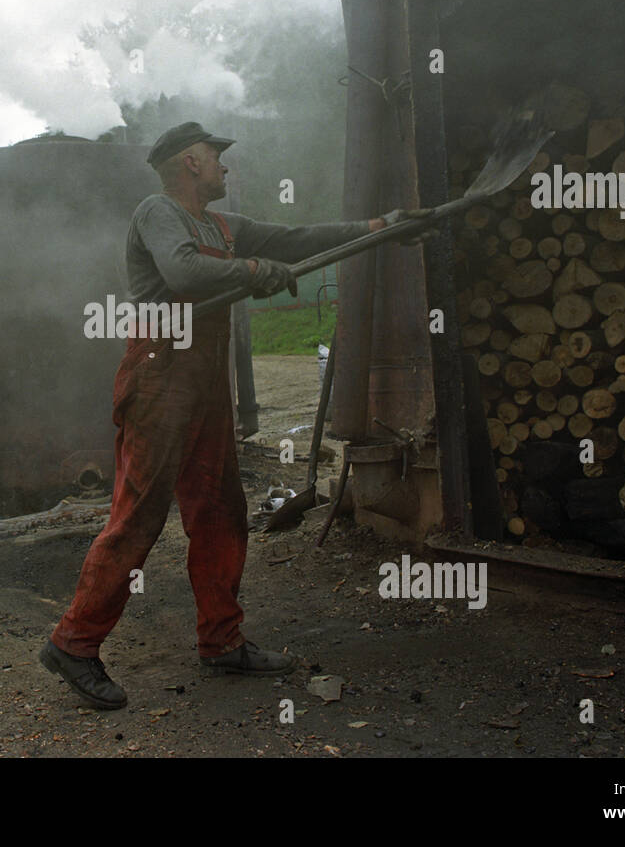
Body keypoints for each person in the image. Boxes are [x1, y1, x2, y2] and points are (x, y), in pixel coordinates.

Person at [39, 121, 430, 709]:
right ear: (191, 162)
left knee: (222, 507)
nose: (226, 168)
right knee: (140, 516)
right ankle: (73, 642)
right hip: (159, 371)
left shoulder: (223, 226)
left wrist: (380, 228)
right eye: (218, 159)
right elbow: (184, 272)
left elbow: (297, 238)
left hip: (202, 378)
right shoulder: (157, 211)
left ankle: (221, 642)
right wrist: (253, 272)